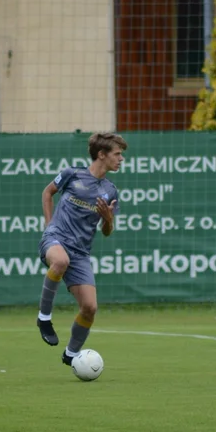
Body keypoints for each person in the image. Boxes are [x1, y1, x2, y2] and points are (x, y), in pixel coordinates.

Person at [35, 132, 126, 367]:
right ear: (101, 155)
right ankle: (44, 317)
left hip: (81, 253)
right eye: (117, 154)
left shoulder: (110, 190)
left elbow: (107, 232)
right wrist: (49, 226)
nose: (121, 159)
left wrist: (107, 219)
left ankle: (71, 354)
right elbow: (47, 193)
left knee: (90, 308)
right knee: (60, 261)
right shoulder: (72, 174)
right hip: (56, 239)